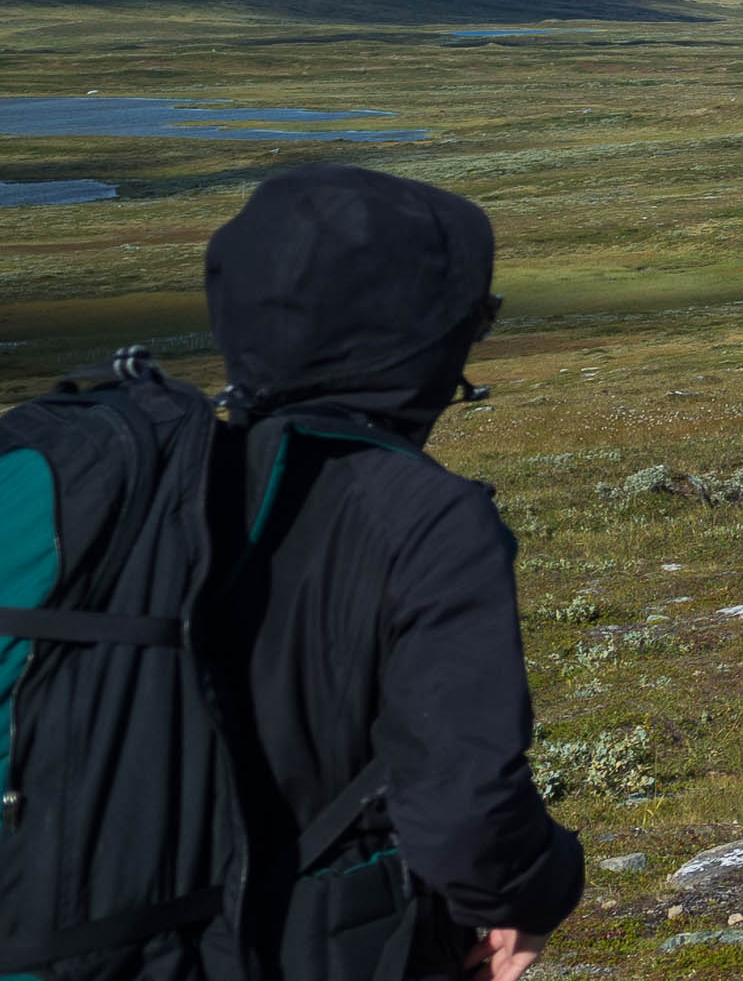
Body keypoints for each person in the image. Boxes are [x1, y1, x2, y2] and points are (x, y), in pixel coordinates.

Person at [205, 164, 582, 979]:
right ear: (421, 335)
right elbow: (468, 814)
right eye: (473, 321)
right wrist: (531, 896)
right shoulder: (424, 517)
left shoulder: (134, 485)